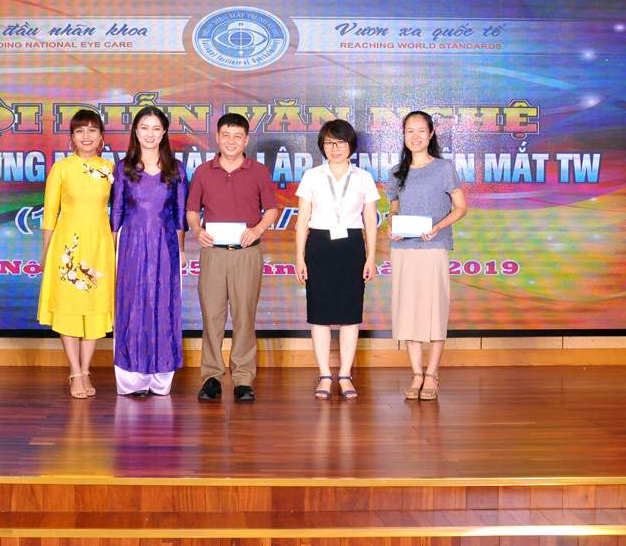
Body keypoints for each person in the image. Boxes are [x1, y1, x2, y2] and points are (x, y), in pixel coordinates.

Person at [186, 113, 278, 402]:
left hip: (246, 254)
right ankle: (211, 377)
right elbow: (192, 210)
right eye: (226, 135)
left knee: (244, 316)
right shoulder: (203, 171)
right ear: (217, 137)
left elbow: (272, 210)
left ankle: (243, 379)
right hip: (213, 253)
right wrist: (197, 230)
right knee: (212, 316)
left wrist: (258, 229)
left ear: (246, 140)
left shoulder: (259, 171)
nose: (231, 141)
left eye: (237, 136)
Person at [294, 120, 380, 400]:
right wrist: (299, 258)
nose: (335, 148)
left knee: (350, 315)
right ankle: (324, 375)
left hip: (352, 246)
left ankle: (344, 375)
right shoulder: (312, 176)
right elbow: (302, 220)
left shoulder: (363, 177)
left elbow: (370, 220)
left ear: (351, 145)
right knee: (319, 315)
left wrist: (371, 257)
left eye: (341, 142)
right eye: (329, 143)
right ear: (322, 146)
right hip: (319, 245)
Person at [385, 111, 467, 401]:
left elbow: (461, 207)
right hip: (403, 249)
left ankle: (432, 374)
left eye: (421, 130)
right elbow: (394, 209)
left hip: (434, 245)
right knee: (408, 309)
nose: (415, 136)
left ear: (431, 134)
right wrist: (392, 226)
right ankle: (416, 373)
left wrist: (438, 227)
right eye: (410, 131)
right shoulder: (397, 171)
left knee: (434, 308)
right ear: (404, 135)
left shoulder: (444, 168)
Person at [37, 108, 116, 400]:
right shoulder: (61, 168)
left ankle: (86, 369)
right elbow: (50, 213)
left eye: (92, 130)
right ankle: (75, 372)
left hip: (99, 245)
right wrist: (46, 252)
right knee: (69, 308)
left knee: (95, 306)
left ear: (101, 136)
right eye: (80, 130)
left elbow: (120, 211)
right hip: (66, 248)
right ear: (72, 136)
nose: (86, 136)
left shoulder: (110, 169)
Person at [110, 106, 188, 397]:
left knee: (163, 305)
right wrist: (112, 250)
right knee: (132, 306)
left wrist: (181, 249)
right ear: (135, 131)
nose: (150, 134)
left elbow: (180, 215)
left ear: (164, 132)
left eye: (156, 128)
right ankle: (133, 379)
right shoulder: (124, 168)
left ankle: (159, 378)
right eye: (144, 128)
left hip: (165, 247)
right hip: (131, 246)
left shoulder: (176, 169)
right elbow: (116, 213)